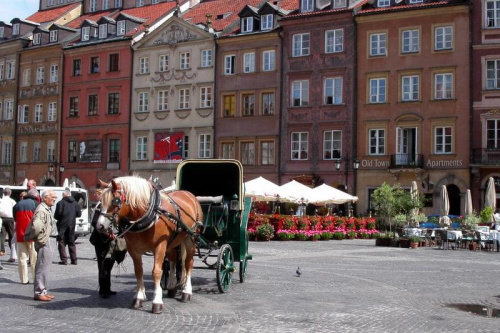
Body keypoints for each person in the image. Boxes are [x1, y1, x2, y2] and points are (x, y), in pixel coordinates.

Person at [32, 189, 58, 301]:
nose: (55, 199)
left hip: (49, 240)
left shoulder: (46, 208)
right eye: (53, 197)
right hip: (46, 241)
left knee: (45, 267)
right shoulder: (42, 209)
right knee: (42, 266)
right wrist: (40, 237)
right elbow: (36, 226)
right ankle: (39, 292)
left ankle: (43, 290)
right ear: (45, 197)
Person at [89, 202, 118, 298]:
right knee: (102, 264)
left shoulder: (112, 206)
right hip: (100, 240)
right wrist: (108, 234)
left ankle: (107, 288)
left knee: (109, 264)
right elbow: (95, 224)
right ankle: (103, 290)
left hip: (110, 241)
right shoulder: (100, 207)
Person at [13, 189, 39, 284]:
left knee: (22, 258)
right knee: (34, 258)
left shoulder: (17, 205)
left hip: (20, 235)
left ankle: (24, 279)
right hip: (32, 235)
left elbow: (15, 219)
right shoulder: (36, 204)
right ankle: (35, 278)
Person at [54, 188, 81, 265]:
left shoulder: (60, 203)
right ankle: (74, 260)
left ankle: (64, 260)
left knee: (61, 242)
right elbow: (79, 214)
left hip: (62, 225)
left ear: (63, 195)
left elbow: (57, 215)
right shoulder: (76, 203)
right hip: (72, 224)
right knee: (72, 242)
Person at [0, 188, 18, 263]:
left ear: (4, 193)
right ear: (10, 193)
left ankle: (1, 250)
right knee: (12, 237)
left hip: (2, 218)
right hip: (10, 219)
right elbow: (15, 210)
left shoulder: (1, 200)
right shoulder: (12, 201)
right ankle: (13, 254)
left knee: (2, 236)